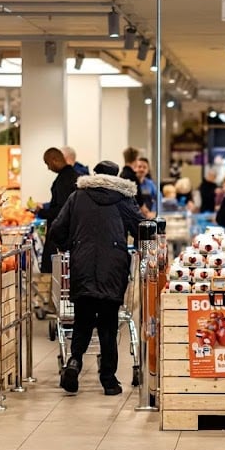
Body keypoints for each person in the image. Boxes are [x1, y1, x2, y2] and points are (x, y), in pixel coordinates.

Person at [50, 160, 144, 396]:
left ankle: (74, 362)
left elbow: (57, 230)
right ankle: (109, 380)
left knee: (82, 321)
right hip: (113, 268)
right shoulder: (124, 199)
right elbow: (141, 229)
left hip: (82, 265)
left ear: (94, 174)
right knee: (108, 324)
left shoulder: (77, 196)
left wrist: (71, 246)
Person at [37, 147, 78, 273]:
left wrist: (41, 213)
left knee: (54, 272)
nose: (48, 168)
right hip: (71, 233)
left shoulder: (64, 180)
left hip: (61, 235)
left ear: (54, 160)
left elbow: (61, 210)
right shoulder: (73, 176)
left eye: (47, 163)